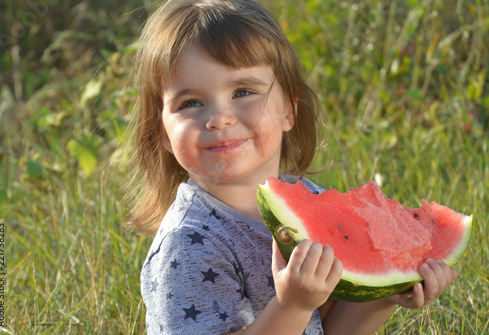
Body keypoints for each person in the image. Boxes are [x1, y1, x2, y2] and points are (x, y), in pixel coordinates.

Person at [126, 0, 458, 334]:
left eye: (242, 92)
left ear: (288, 109)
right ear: (162, 133)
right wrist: (293, 306)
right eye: (191, 103)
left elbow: (331, 329)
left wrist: (388, 291)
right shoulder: (186, 248)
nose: (219, 119)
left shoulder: (312, 199)